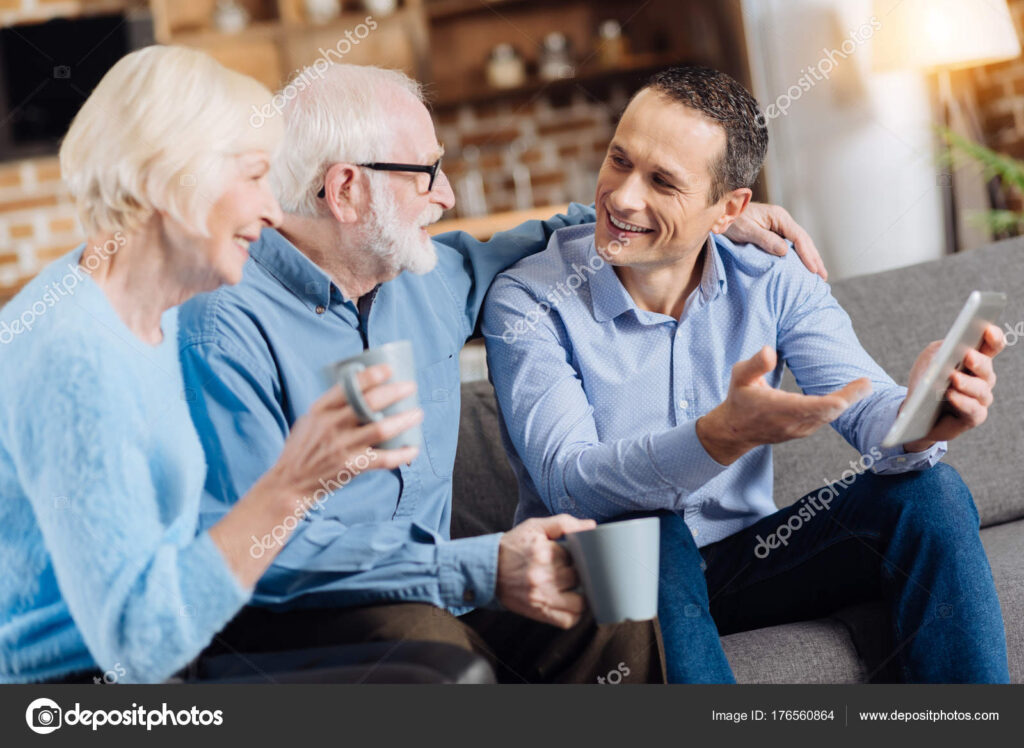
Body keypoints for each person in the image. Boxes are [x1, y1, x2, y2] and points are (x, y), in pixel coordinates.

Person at [178, 63, 820, 683]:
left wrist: (711, 220)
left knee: (610, 595)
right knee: (433, 652)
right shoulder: (222, 326)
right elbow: (256, 551)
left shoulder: (426, 279)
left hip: (440, 596)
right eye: (425, 173)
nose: (447, 195)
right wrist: (478, 566)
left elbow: (573, 234)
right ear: (344, 189)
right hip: (296, 621)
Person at [482, 65, 1009, 683]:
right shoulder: (529, 299)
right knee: (648, 533)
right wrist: (716, 438)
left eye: (663, 182)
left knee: (931, 493)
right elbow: (571, 484)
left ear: (728, 209)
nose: (623, 197)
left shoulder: (771, 278)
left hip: (745, 561)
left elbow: (867, 411)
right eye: (618, 160)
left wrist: (916, 418)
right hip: (607, 582)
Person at [0, 46, 416, 684]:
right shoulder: (74, 352)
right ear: (169, 178)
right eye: (253, 176)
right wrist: (295, 484)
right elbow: (135, 648)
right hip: (73, 696)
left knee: (433, 670)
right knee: (430, 683)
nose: (274, 210)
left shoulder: (151, 314)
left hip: (176, 661)